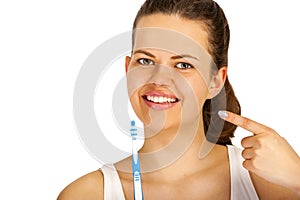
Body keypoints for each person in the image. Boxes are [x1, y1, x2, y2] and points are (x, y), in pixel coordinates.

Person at [58, 0, 300, 199]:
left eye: (183, 64)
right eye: (145, 60)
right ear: (127, 69)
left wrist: (297, 177)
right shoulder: (87, 194)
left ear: (215, 81)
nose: (159, 79)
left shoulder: (265, 180)